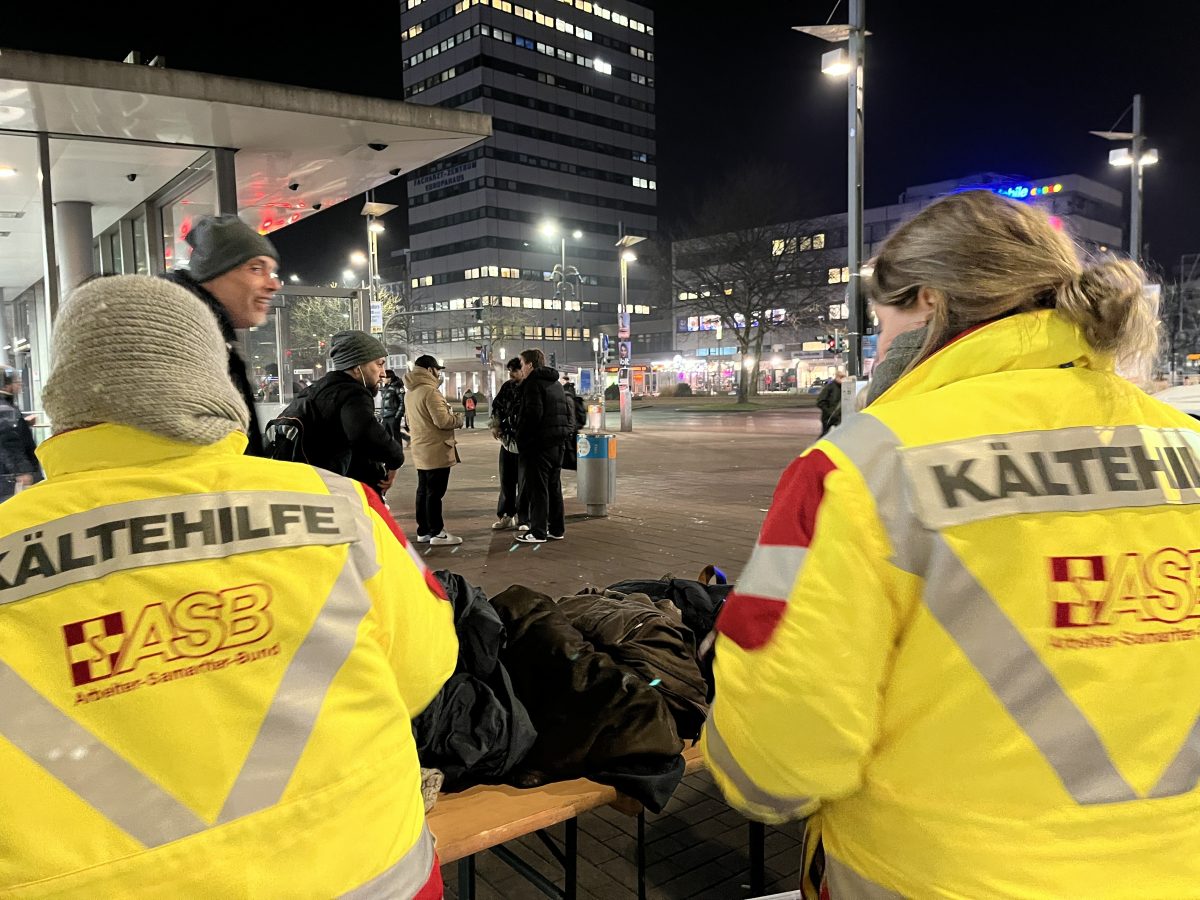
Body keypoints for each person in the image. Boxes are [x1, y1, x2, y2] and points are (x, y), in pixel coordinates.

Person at [702, 190, 1200, 899]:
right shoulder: (1189, 447)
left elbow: (778, 762)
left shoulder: (861, 467)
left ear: (929, 303)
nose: (877, 351)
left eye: (880, 323)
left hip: (931, 878)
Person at [0, 274, 456, 898]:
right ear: (209, 379)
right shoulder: (343, 509)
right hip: (369, 869)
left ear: (66, 394)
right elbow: (425, 667)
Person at [162, 214, 282, 456]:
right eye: (256, 268)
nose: (273, 285)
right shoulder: (179, 346)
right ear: (214, 273)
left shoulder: (214, 340)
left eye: (272, 272)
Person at [291, 330, 405, 502]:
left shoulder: (316, 390)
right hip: (344, 494)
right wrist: (395, 458)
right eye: (379, 364)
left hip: (314, 487)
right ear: (357, 368)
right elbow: (365, 433)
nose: (383, 373)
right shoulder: (353, 393)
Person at [514, 348, 573, 544]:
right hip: (557, 444)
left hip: (538, 446)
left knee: (538, 489)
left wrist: (521, 439)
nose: (520, 369)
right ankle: (556, 528)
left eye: (522, 364)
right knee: (553, 487)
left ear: (530, 364)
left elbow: (532, 416)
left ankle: (538, 531)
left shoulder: (533, 384)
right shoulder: (555, 384)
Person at [405, 354, 464, 545]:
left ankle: (424, 531)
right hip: (436, 450)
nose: (439, 374)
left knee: (423, 491)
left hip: (421, 449)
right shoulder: (430, 392)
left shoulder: (411, 392)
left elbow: (408, 421)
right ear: (430, 370)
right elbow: (443, 421)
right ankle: (437, 532)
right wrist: (458, 418)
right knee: (435, 493)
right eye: (438, 370)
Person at [489, 357, 525, 530]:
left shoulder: (531, 388)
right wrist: (495, 425)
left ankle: (524, 517)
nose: (510, 374)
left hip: (525, 443)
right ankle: (506, 514)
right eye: (509, 370)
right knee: (506, 481)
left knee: (525, 482)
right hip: (507, 442)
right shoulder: (507, 387)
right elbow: (497, 407)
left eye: (514, 370)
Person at [0, 366, 39, 502]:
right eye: (17, 381)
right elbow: (8, 440)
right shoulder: (5, 409)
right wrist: (22, 471)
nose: (20, 385)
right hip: (9, 480)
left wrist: (24, 425)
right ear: (6, 385)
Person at [815, 370, 845, 435]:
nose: (843, 379)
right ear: (837, 377)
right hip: (828, 417)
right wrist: (830, 412)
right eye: (841, 377)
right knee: (825, 435)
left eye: (844, 377)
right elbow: (820, 401)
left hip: (838, 418)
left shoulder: (844, 388)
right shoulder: (829, 387)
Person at [381, 368, 406, 441]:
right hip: (385, 417)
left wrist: (397, 416)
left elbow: (403, 402)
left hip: (393, 416)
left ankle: (398, 452)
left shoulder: (398, 387)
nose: (383, 379)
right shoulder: (385, 388)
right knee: (386, 438)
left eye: (384, 377)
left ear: (389, 378)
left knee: (396, 437)